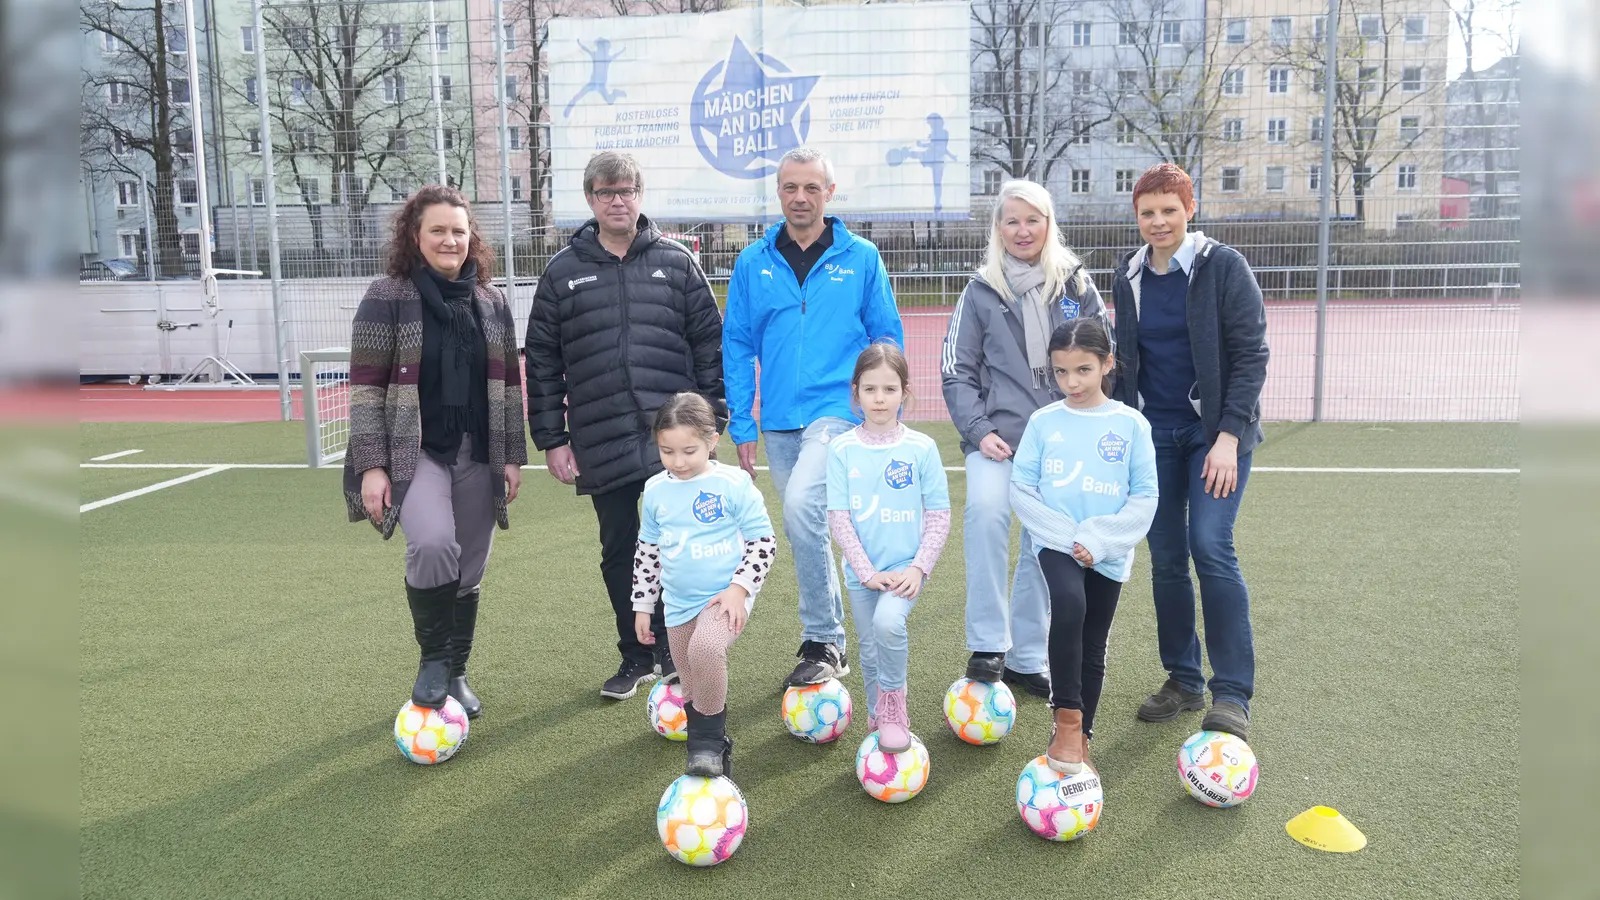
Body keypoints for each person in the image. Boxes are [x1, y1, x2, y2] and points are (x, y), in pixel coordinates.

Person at [526, 151, 727, 701]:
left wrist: (712, 419)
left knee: (678, 545)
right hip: (601, 433)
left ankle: (677, 649)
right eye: (606, 192)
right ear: (590, 199)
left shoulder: (677, 262)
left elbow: (709, 344)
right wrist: (553, 439)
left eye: (627, 191)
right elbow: (541, 360)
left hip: (674, 438)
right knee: (620, 548)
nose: (618, 200)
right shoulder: (562, 271)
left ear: (640, 195)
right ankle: (636, 655)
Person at [344, 184, 528, 719]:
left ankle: (456, 671)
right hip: (416, 449)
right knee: (431, 543)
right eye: (438, 230)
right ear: (415, 235)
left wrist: (511, 456)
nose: (450, 240)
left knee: (470, 563)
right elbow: (365, 387)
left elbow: (508, 387)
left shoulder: (491, 301)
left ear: (472, 238)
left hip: (479, 449)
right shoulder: (387, 295)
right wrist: (372, 467)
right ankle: (432, 661)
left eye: (458, 231)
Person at [723, 147, 904, 689]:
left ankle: (822, 637)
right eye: (790, 187)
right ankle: (831, 644)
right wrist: (742, 422)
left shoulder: (862, 257)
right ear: (779, 192)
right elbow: (738, 344)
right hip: (779, 418)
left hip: (837, 412)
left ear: (829, 192)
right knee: (806, 524)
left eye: (811, 187)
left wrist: (882, 406)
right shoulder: (753, 262)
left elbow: (886, 336)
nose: (800, 197)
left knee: (803, 504)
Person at [1110, 163, 1269, 741]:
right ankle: (1184, 678)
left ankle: (1232, 693)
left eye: (1169, 210)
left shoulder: (1223, 267)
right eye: (1147, 213)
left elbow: (1251, 355)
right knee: (1166, 556)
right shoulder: (1128, 274)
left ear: (1190, 209)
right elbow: (1126, 362)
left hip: (1214, 437)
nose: (1158, 222)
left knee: (1210, 544)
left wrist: (1228, 436)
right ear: (1136, 216)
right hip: (1154, 435)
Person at [940, 179, 1110, 699]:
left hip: (1059, 446)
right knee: (986, 514)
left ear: (1048, 224)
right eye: (1011, 220)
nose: (1022, 230)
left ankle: (1027, 657)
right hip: (997, 440)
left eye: (1032, 219)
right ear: (998, 228)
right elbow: (956, 371)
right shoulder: (981, 290)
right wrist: (980, 430)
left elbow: (1106, 356)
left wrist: (1086, 427)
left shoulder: (1075, 285)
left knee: (1045, 543)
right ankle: (988, 645)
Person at [1010, 317, 1158, 773]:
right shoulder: (1043, 422)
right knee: (1069, 604)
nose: (1071, 382)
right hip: (1056, 542)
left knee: (1094, 640)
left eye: (1083, 370)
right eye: (1061, 372)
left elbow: (1145, 497)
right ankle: (1067, 721)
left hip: (1108, 550)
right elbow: (1022, 489)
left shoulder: (1131, 425)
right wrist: (1070, 539)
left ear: (1107, 363)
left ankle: (1082, 736)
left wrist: (1099, 539)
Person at [632, 393, 777, 778]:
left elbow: (764, 542)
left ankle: (706, 744)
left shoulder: (733, 483)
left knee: (707, 648)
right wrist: (643, 605)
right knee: (690, 680)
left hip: (724, 598)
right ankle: (716, 745)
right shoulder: (655, 490)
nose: (678, 462)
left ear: (712, 441)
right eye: (667, 451)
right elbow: (648, 552)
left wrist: (740, 588)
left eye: (689, 451)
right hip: (678, 604)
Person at [825, 343, 950, 753]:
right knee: (868, 648)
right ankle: (876, 714)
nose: (879, 398)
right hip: (863, 572)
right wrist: (866, 572)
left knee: (888, 625)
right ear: (856, 392)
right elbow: (839, 517)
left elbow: (939, 515)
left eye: (889, 389)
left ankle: (895, 709)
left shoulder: (921, 447)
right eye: (870, 389)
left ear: (904, 392)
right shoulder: (842, 449)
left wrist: (918, 568)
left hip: (905, 567)